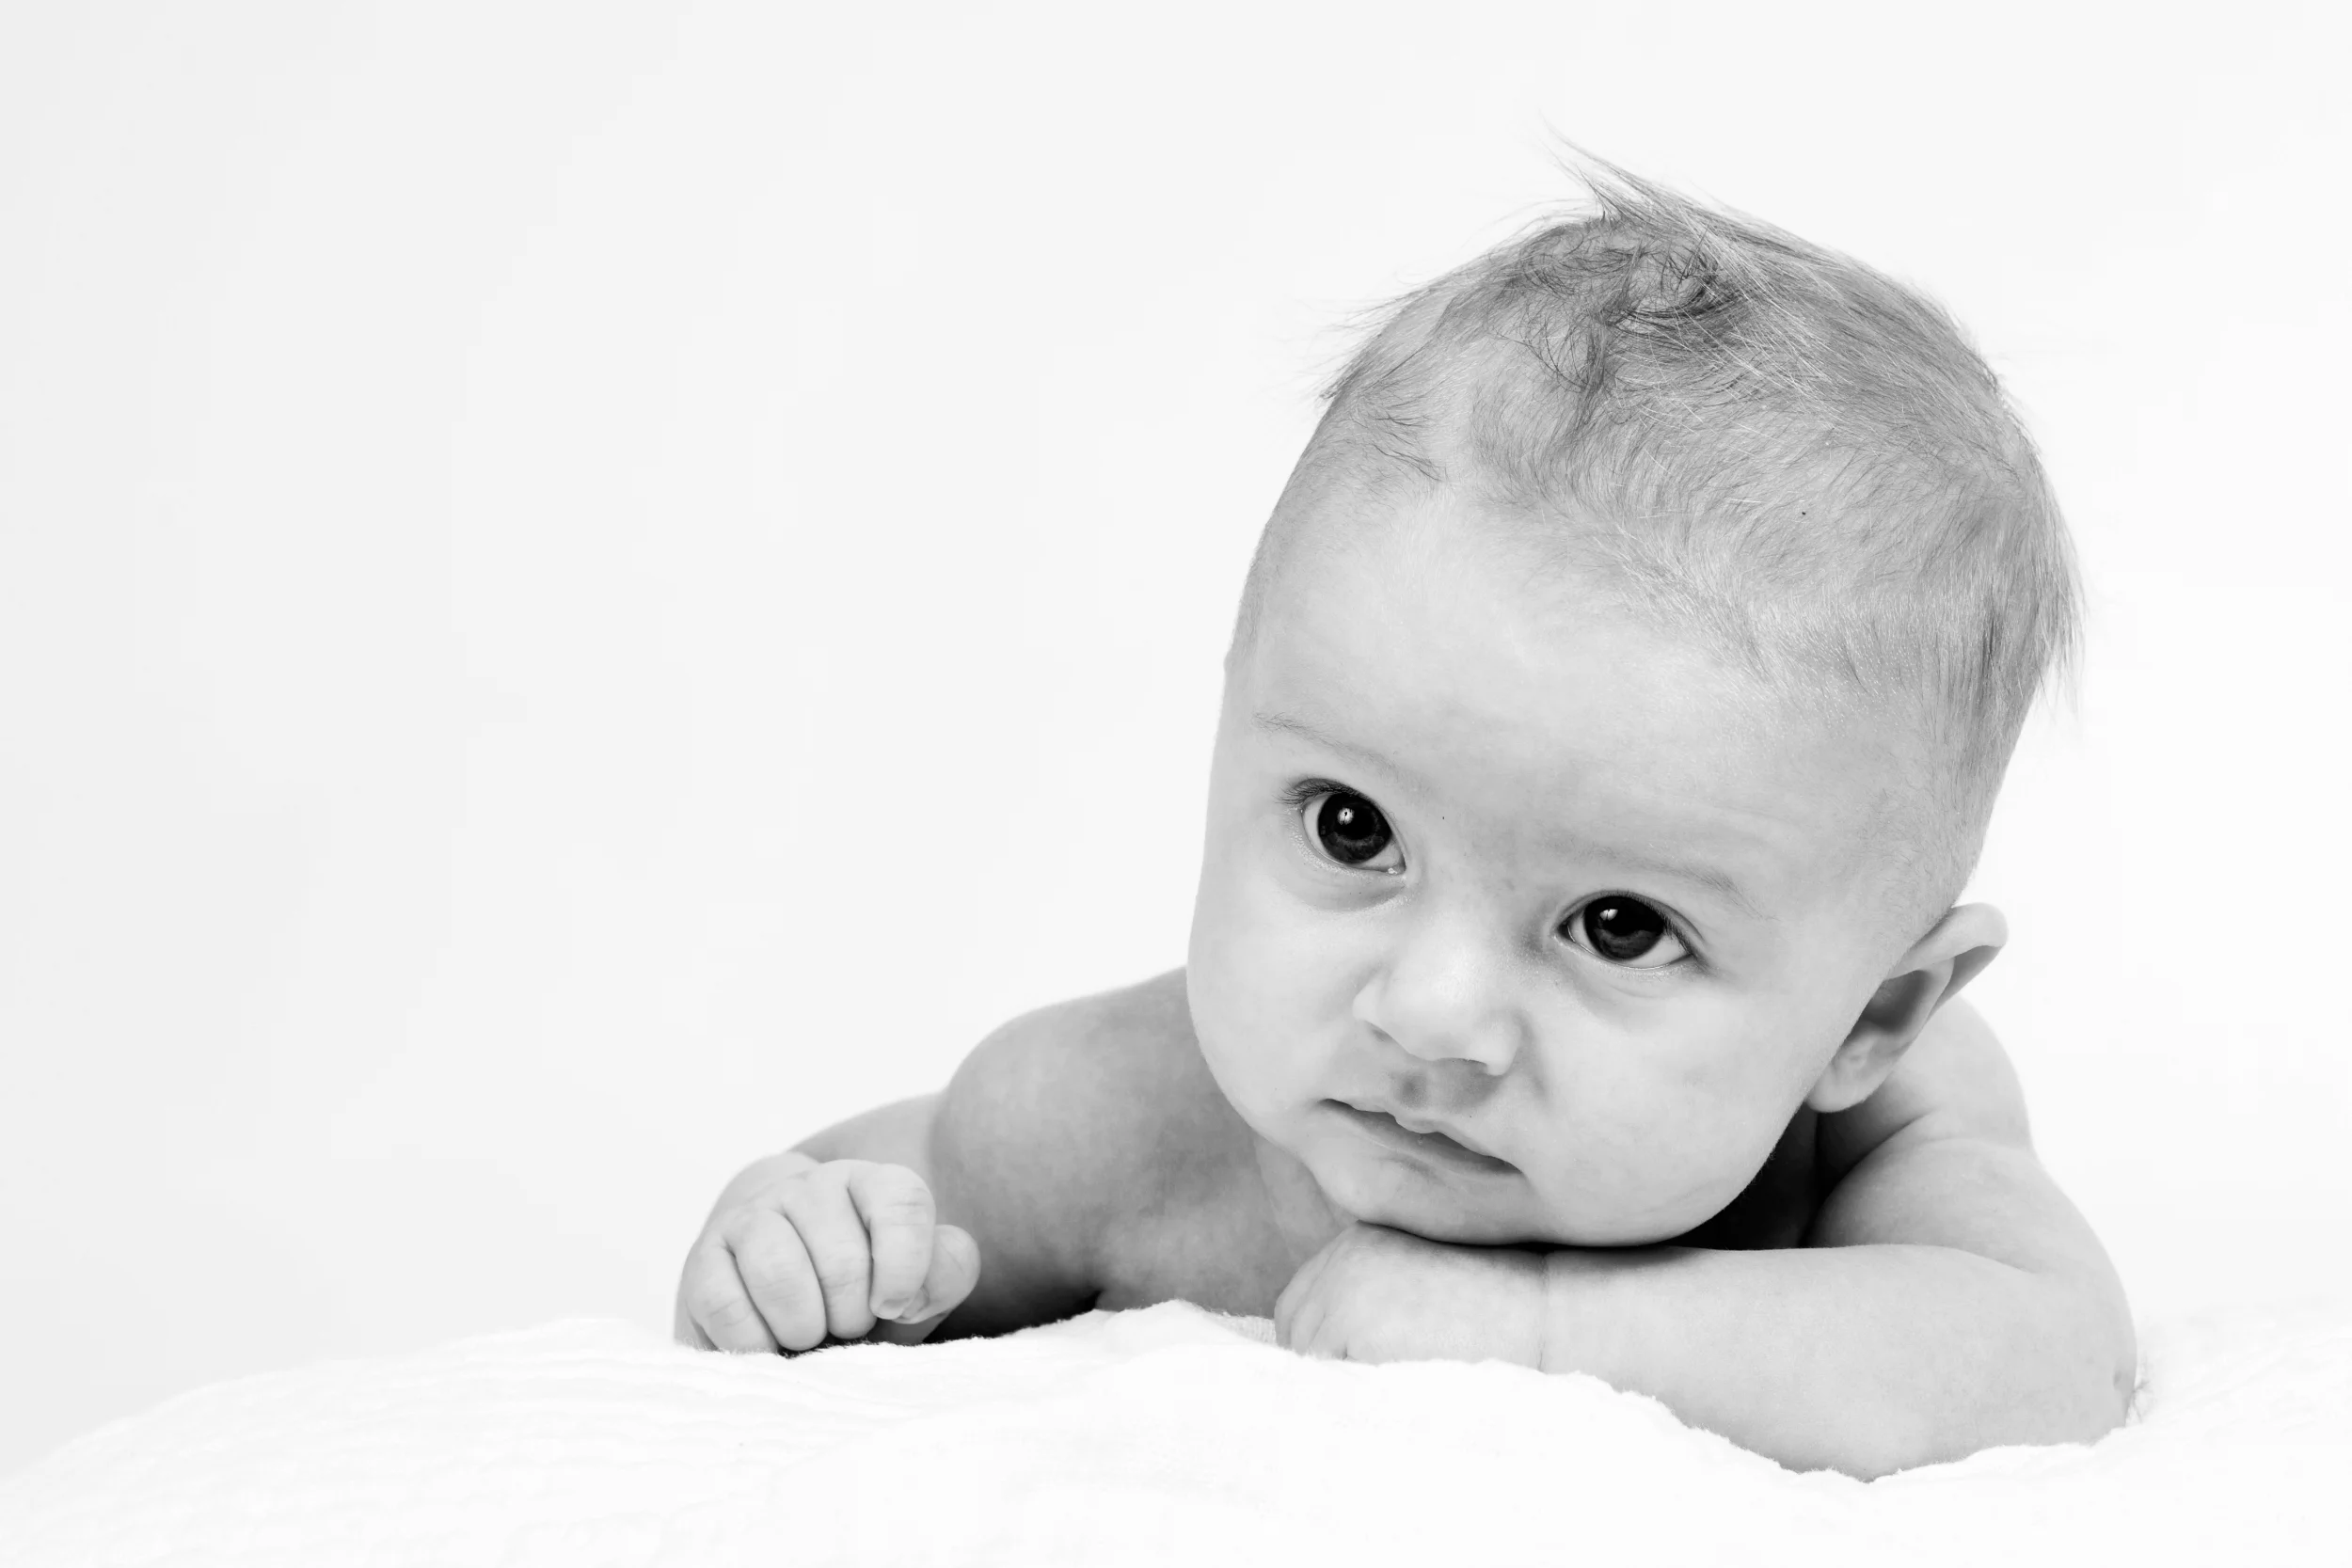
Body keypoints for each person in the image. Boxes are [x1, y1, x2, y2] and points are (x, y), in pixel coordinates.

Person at [674, 166, 2137, 1479]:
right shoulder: (1134, 1111)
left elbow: (2049, 1356)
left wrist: (1547, 1331)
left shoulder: (1888, 1127)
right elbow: (890, 1204)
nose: (1432, 1012)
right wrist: (796, 1239)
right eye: (1355, 829)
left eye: (1619, 925)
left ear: (1868, 1016)